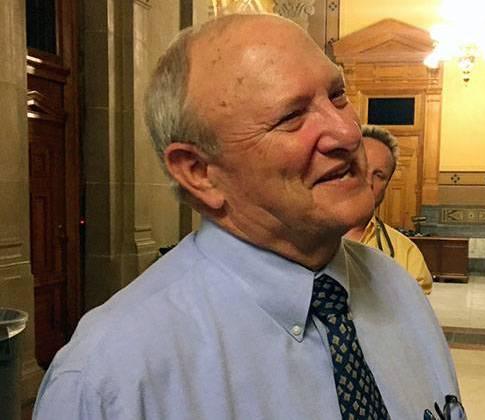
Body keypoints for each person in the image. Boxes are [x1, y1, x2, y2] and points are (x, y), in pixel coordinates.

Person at [32, 14, 460, 419]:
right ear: (201, 173)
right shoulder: (113, 376)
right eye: (292, 116)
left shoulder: (397, 288)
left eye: (337, 95)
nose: (348, 133)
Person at [345, 125, 433, 295]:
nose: (368, 182)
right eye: (359, 167)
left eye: (379, 175)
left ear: (387, 186)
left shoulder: (407, 256)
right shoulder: (297, 240)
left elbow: (413, 318)